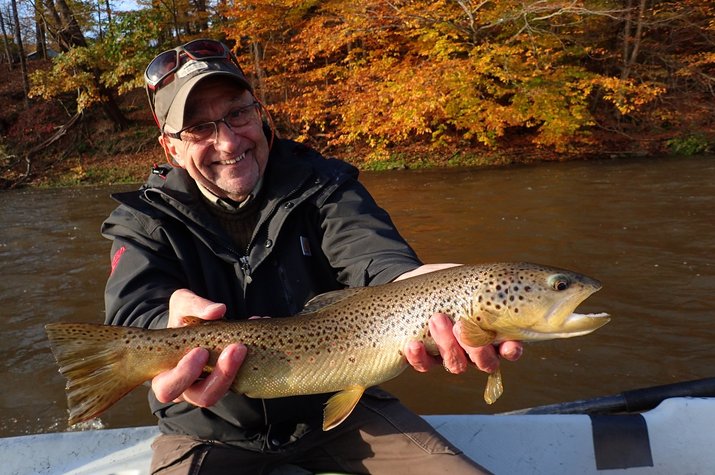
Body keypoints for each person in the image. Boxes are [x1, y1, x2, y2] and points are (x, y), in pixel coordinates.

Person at [102, 38, 523, 475]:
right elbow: (134, 313)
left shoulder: (325, 186)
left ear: (259, 113)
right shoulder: (142, 219)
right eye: (199, 128)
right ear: (170, 147)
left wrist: (426, 285)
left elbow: (379, 259)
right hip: (206, 428)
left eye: (237, 114)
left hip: (344, 404)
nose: (227, 143)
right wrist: (164, 329)